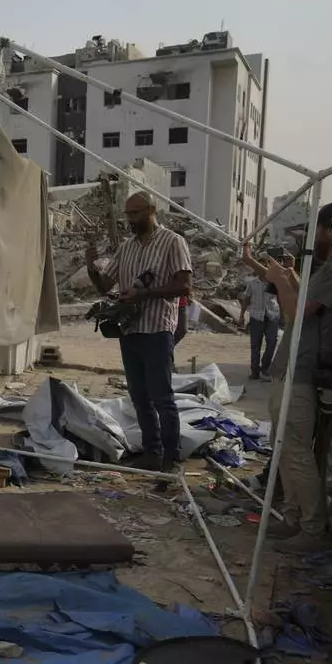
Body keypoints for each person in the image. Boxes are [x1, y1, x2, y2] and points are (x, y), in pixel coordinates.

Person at [245, 202, 332, 554]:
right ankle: (295, 518)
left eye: (319, 229)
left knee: (296, 450)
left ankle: (311, 528)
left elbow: (296, 311)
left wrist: (280, 281)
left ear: (331, 229)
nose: (315, 236)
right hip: (297, 366)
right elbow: (307, 301)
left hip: (301, 367)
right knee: (287, 447)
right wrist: (284, 277)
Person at [86, 191, 193, 472]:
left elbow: (184, 286)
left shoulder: (173, 242)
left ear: (151, 211)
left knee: (162, 398)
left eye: (135, 214)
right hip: (130, 332)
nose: (130, 220)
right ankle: (152, 452)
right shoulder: (127, 247)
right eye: (128, 215)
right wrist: (91, 266)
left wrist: (145, 293)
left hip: (157, 331)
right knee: (140, 398)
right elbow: (104, 286)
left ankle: (171, 459)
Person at [238, 246, 282, 381]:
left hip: (272, 316)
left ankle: (265, 367)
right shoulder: (253, 284)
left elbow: (281, 298)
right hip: (256, 316)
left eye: (265, 263)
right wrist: (241, 316)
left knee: (271, 342)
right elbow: (246, 299)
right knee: (255, 345)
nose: (263, 266)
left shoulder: (274, 282)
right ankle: (255, 371)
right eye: (261, 263)